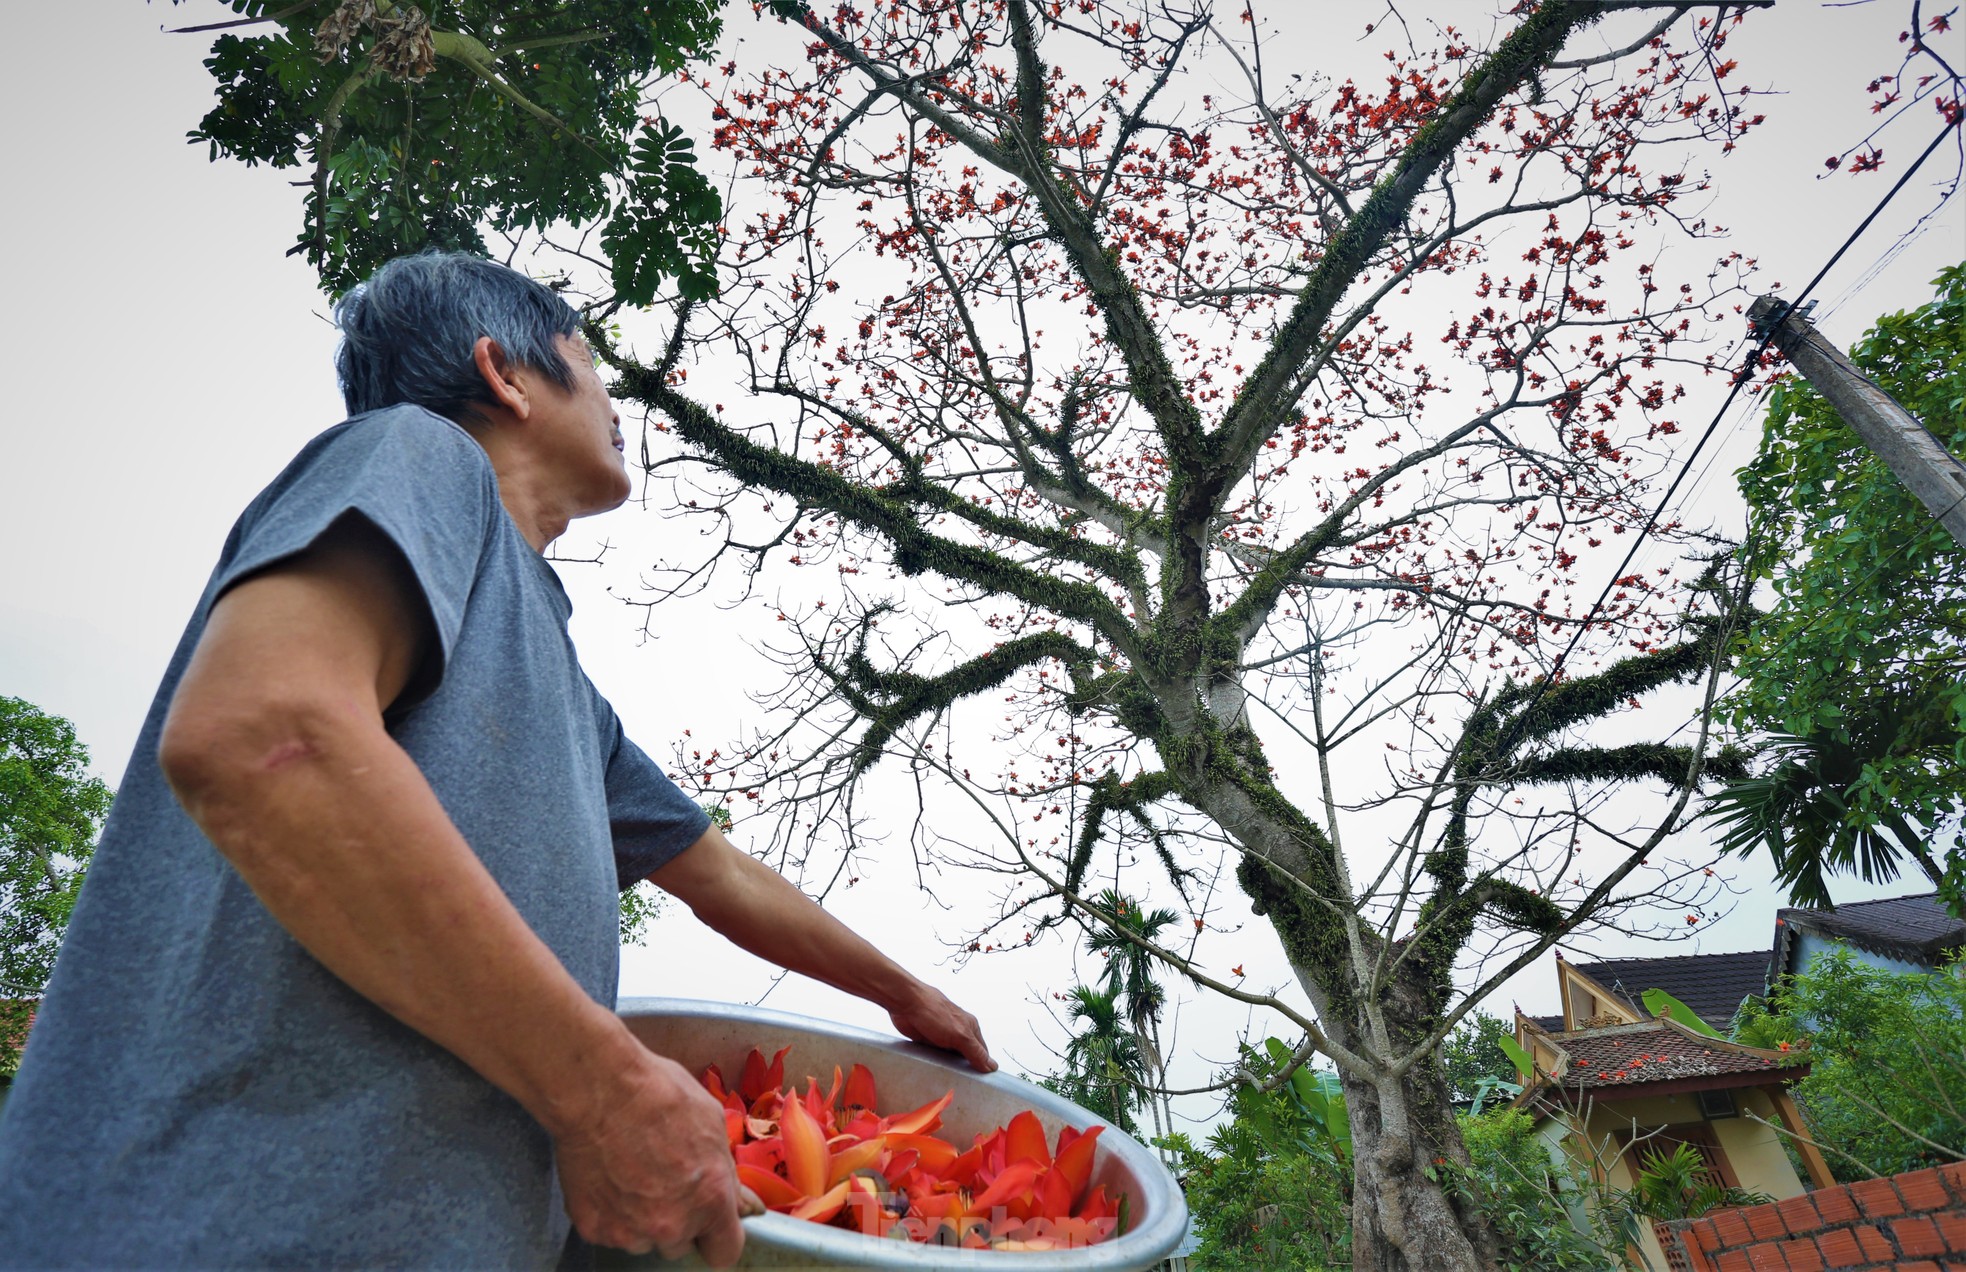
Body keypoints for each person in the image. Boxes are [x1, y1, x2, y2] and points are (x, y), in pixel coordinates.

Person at [0, 251, 993, 1269]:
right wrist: (604, 1090)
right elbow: (266, 736)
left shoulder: (561, 687)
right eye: (591, 363)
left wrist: (903, 996)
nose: (617, 402)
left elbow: (721, 873)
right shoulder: (414, 452)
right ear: (505, 374)